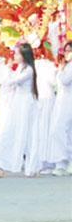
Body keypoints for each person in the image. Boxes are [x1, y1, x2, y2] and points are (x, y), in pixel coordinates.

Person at [0, 43, 38, 176]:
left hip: (26, 103)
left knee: (25, 133)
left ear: (23, 55)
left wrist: (5, 72)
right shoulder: (20, 68)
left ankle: (31, 167)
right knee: (9, 131)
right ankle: (1, 165)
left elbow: (13, 81)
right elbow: (10, 80)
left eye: (17, 54)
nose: (14, 56)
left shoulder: (28, 70)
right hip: (18, 102)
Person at [27, 45, 57, 176]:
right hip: (46, 99)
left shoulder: (32, 66)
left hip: (42, 99)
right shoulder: (47, 65)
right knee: (46, 130)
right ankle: (45, 161)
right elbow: (54, 82)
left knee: (41, 131)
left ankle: (43, 161)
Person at [48, 41, 72, 176]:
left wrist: (61, 69)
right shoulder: (66, 66)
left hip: (68, 101)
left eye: (69, 50)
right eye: (66, 51)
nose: (67, 53)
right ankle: (64, 162)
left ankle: (63, 160)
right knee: (64, 131)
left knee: (60, 129)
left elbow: (64, 80)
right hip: (62, 100)